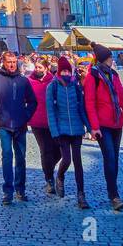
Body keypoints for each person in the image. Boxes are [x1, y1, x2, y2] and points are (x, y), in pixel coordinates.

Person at [0, 49, 38, 205]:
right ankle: (8, 191)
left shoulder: (23, 81)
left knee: (21, 158)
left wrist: (26, 115)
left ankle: (20, 189)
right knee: (7, 156)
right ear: (4, 63)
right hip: (4, 125)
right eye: (9, 62)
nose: (12, 65)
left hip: (20, 124)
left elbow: (33, 101)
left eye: (14, 62)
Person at [83, 44, 123, 211]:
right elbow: (89, 103)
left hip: (116, 123)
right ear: (105, 59)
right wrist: (94, 127)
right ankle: (114, 195)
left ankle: (113, 191)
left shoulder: (113, 75)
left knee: (115, 159)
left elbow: (122, 95)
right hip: (103, 125)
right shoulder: (92, 77)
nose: (112, 60)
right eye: (110, 57)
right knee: (109, 158)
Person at [46, 56, 91, 209]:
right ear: (59, 72)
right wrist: (54, 131)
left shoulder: (76, 86)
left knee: (78, 162)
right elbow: (50, 111)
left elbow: (82, 108)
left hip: (77, 128)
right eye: (63, 70)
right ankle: (59, 175)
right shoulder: (52, 86)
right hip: (62, 129)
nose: (65, 73)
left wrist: (89, 127)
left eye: (67, 70)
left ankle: (81, 194)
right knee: (66, 159)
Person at [27, 58, 61, 194]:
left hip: (53, 121)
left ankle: (48, 167)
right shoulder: (29, 81)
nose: (37, 69)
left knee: (59, 150)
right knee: (45, 150)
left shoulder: (53, 81)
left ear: (46, 68)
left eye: (40, 67)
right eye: (36, 67)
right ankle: (49, 179)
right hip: (37, 122)